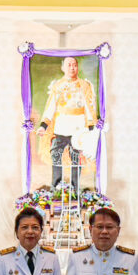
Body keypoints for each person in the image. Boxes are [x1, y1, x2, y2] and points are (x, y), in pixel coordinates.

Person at [36, 56, 97, 192]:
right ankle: (56, 186)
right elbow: (51, 107)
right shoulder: (58, 86)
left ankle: (75, 188)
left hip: (78, 129)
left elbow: (89, 108)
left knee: (76, 158)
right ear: (62, 67)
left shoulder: (84, 86)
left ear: (77, 67)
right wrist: (43, 126)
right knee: (56, 154)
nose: (72, 68)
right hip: (61, 127)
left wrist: (91, 129)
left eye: (74, 65)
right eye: (69, 65)